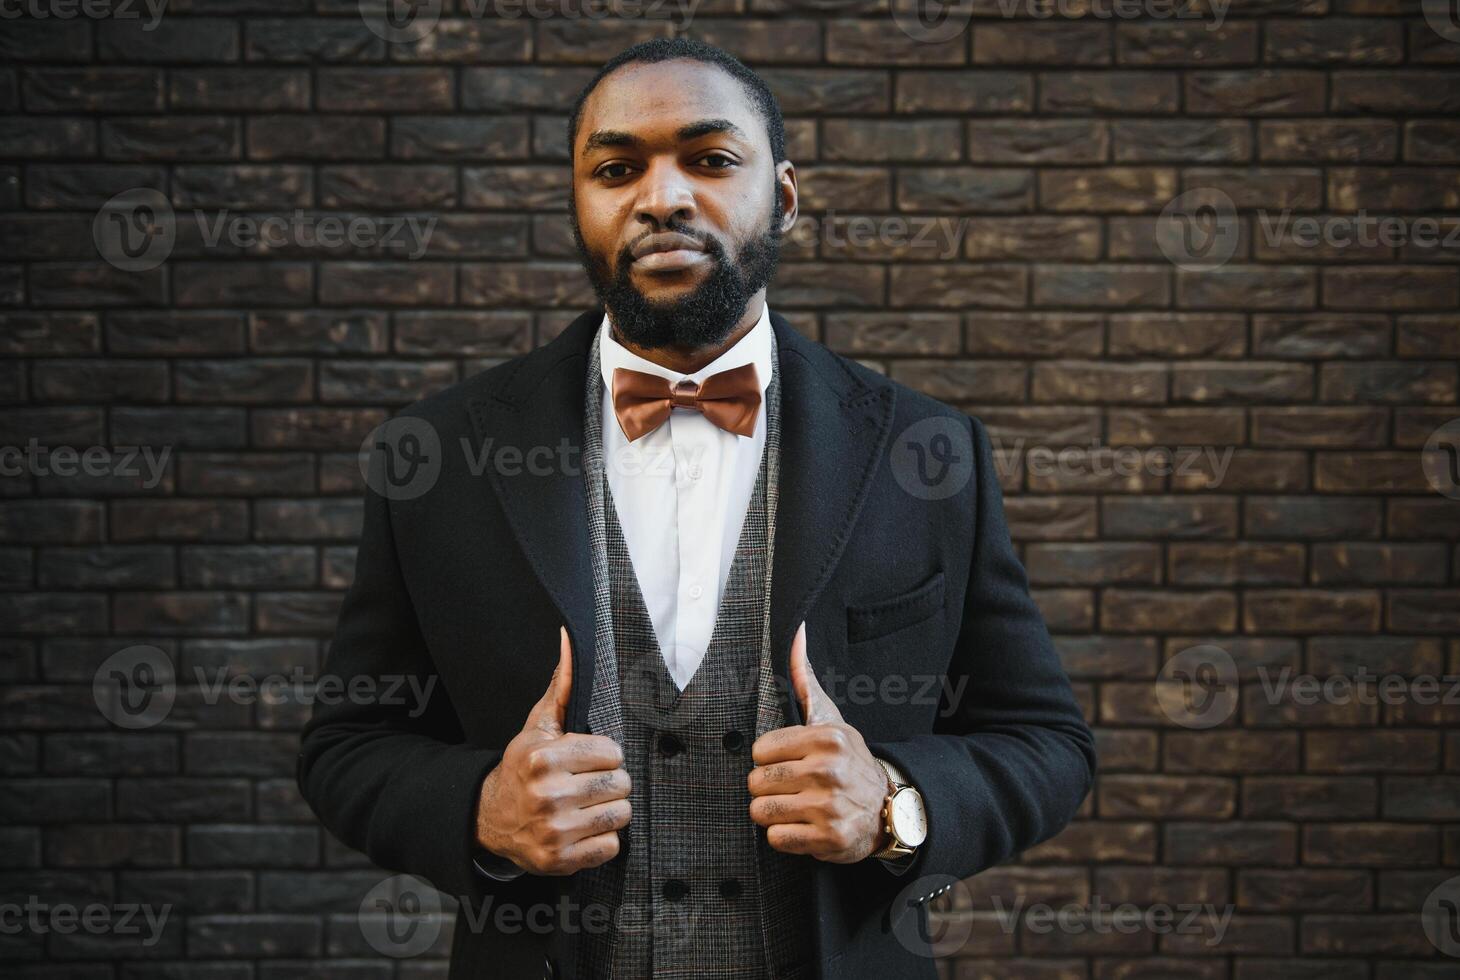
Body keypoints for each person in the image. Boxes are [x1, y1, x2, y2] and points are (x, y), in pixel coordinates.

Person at [297, 36, 1095, 980]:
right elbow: (348, 746)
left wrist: (894, 803)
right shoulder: (436, 457)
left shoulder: (927, 454)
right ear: (579, 202)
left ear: (785, 197)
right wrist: (479, 810)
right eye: (617, 168)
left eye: (711, 161)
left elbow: (1046, 741)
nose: (663, 197)